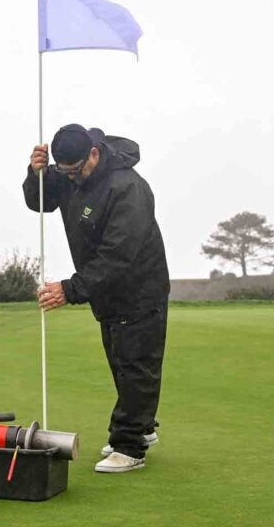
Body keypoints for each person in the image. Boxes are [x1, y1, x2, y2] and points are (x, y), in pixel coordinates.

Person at [23, 123, 170, 473]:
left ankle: (129, 446)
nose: (71, 179)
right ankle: (142, 427)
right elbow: (39, 201)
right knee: (121, 362)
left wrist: (70, 289)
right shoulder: (70, 174)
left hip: (139, 289)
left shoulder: (128, 188)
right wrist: (36, 172)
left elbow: (118, 256)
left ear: (93, 153)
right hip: (106, 292)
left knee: (136, 367)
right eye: (64, 172)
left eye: (75, 171)